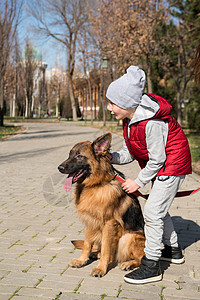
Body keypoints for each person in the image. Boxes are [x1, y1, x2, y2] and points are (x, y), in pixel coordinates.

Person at [106, 66, 192, 284]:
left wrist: (138, 182)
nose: (109, 108)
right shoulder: (129, 121)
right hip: (161, 165)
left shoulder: (151, 122)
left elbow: (157, 159)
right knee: (159, 209)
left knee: (153, 213)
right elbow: (131, 152)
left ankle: (151, 265)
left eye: (112, 103)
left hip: (172, 165)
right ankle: (173, 250)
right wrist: (111, 157)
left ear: (126, 103)